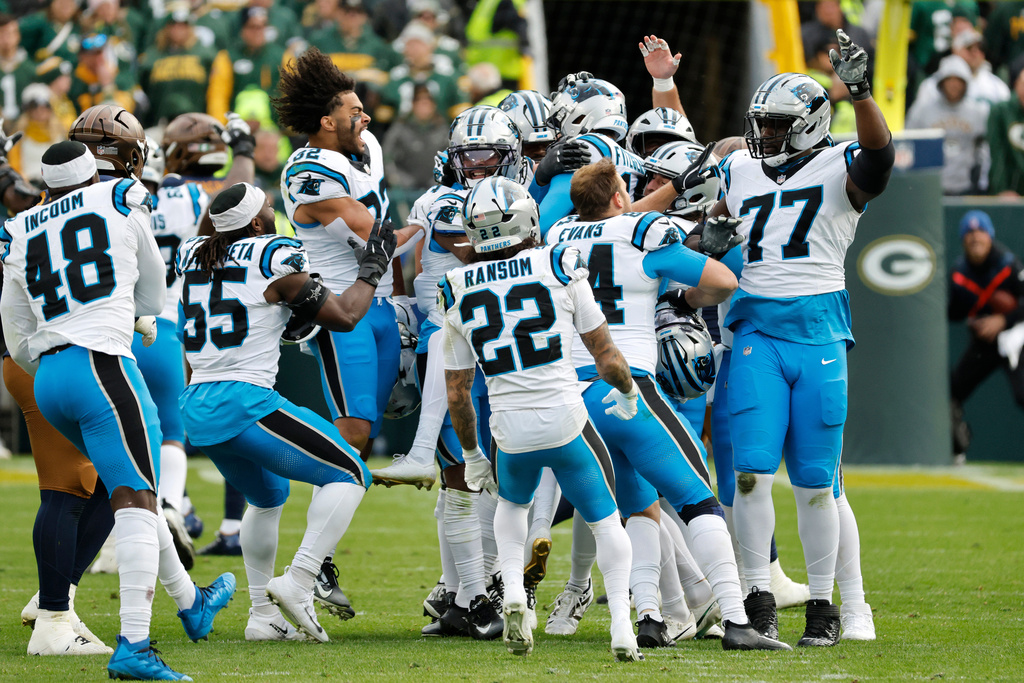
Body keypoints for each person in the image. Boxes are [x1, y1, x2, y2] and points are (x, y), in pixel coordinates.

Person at [0, 140, 235, 680]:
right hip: (102, 362)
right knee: (135, 496)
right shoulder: (120, 196)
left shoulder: (20, 226)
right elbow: (153, 292)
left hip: (49, 376)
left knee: (125, 485)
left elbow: (16, 333)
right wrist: (121, 320)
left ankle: (191, 602)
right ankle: (134, 643)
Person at [545, 158, 792, 652]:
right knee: (698, 498)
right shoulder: (643, 233)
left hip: (572, 396)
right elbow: (722, 281)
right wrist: (681, 286)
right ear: (619, 197)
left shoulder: (557, 238)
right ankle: (738, 620)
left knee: (637, 507)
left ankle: (652, 617)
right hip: (627, 386)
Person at [696, 30, 894, 646]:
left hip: (819, 332)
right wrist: (711, 243)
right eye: (762, 123)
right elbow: (705, 217)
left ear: (810, 124)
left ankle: (825, 606)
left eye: (779, 125)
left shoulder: (843, 163)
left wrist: (860, 94)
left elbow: (879, 162)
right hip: (755, 328)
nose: (766, 135)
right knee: (751, 474)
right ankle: (757, 600)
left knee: (816, 481)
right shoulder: (739, 168)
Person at [176, 182, 393, 641]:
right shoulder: (273, 254)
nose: (276, 214)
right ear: (256, 223)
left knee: (268, 498)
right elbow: (344, 316)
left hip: (197, 401)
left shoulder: (192, 253)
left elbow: (217, 240)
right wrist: (372, 269)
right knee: (351, 472)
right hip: (244, 398)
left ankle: (261, 617)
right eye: (269, 209)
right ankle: (299, 578)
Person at [439, 175, 641, 661]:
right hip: (565, 418)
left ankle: (512, 592)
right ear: (527, 218)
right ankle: (620, 626)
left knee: (512, 507)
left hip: (509, 428)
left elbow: (458, 391)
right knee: (607, 520)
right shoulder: (558, 261)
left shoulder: (455, 285)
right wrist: (630, 392)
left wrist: (471, 455)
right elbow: (606, 356)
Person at [276, 45, 423, 618]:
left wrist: (408, 295)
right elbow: (375, 236)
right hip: (345, 310)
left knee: (373, 427)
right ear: (324, 121)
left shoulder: (366, 150)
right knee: (352, 432)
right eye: (353, 111)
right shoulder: (308, 169)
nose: (364, 118)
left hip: (383, 307)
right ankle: (311, 567)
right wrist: (437, 225)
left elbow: (387, 240)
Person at [948, 210, 1024, 462]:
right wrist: (973, 321)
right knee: (951, 394)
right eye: (969, 234)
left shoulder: (1007, 264)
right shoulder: (960, 273)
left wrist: (1003, 319)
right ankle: (957, 448)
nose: (974, 237)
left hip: (1015, 336)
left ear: (990, 235)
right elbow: (954, 311)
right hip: (984, 343)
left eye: (979, 232)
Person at [906, 55, 990, 195]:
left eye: (958, 81)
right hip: (929, 187)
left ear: (966, 83)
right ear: (941, 82)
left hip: (966, 186)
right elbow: (909, 144)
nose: (953, 85)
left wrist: (979, 182)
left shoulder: (978, 112)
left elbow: (984, 152)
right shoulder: (922, 110)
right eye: (949, 80)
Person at [986, 55, 1024, 197]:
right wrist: (1002, 189)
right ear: (1016, 84)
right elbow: (997, 153)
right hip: (1011, 192)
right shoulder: (1001, 111)